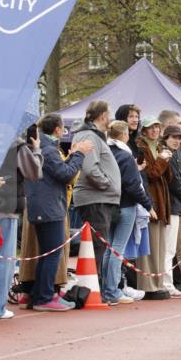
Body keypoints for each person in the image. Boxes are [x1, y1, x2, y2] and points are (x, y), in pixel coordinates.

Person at [25, 114, 93, 311]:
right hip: (49, 207)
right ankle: (44, 297)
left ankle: (40, 294)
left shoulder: (44, 148)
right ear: (57, 129)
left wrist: (72, 156)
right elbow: (66, 174)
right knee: (53, 253)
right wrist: (79, 154)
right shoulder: (48, 150)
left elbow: (59, 170)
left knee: (47, 253)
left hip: (45, 206)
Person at [0, 133, 43, 319]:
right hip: (6, 204)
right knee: (3, 258)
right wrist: (36, 150)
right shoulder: (16, 145)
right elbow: (34, 172)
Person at [72, 100, 121, 283]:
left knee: (97, 245)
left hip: (99, 198)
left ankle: (92, 287)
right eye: (110, 114)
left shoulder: (93, 136)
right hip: (95, 199)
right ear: (102, 116)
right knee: (96, 246)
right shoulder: (89, 136)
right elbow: (90, 168)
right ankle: (91, 288)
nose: (111, 118)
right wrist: (107, 184)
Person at [103, 120, 152, 305]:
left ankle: (107, 288)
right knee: (118, 249)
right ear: (124, 135)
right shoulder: (125, 155)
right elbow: (133, 185)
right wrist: (148, 205)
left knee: (110, 248)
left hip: (109, 204)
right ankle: (112, 291)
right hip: (126, 205)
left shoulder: (106, 152)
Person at [136, 116, 173, 299]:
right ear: (144, 130)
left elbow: (168, 178)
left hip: (161, 203)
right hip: (150, 201)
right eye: (151, 127)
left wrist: (166, 159)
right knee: (149, 246)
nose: (155, 130)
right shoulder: (141, 148)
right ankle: (148, 285)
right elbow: (150, 174)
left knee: (160, 247)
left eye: (157, 127)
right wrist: (162, 160)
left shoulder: (159, 147)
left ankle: (158, 283)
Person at [160, 124, 181, 296]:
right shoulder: (168, 155)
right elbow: (174, 183)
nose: (177, 140)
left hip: (175, 206)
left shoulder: (175, 154)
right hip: (170, 206)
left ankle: (167, 283)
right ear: (166, 137)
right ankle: (166, 284)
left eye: (179, 138)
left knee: (170, 248)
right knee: (168, 249)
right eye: (174, 137)